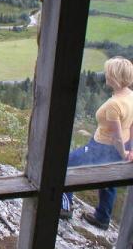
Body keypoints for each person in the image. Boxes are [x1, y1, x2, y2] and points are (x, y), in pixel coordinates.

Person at [61, 56, 133, 229]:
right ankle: (102, 218)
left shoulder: (114, 104)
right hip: (123, 145)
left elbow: (115, 137)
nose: (105, 75)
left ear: (114, 76)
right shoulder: (131, 96)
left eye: (108, 72)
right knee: (109, 181)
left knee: (65, 167)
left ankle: (64, 207)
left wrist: (123, 154)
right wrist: (129, 150)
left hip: (103, 146)